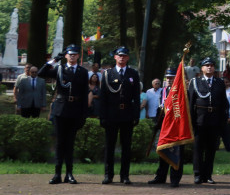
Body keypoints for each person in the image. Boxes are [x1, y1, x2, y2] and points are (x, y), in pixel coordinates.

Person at [38, 45, 90, 184]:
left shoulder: (83, 71)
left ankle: (69, 174)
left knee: (70, 144)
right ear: (66, 56)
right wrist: (54, 60)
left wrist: (84, 114)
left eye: (75, 54)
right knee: (60, 143)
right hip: (61, 109)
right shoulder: (59, 69)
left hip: (75, 110)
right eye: (69, 54)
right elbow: (41, 73)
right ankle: (57, 174)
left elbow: (85, 93)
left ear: (78, 56)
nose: (72, 56)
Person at [96, 46, 142, 185]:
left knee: (126, 147)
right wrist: (102, 116)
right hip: (111, 115)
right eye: (119, 55)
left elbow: (136, 97)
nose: (122, 57)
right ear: (115, 57)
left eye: (124, 55)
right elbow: (102, 96)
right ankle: (108, 175)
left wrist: (136, 115)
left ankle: (125, 175)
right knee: (109, 146)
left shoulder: (133, 74)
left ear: (127, 58)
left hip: (127, 114)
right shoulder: (107, 74)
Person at [189, 57, 229, 184]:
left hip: (214, 120)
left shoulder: (219, 82)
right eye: (207, 65)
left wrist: (222, 120)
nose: (209, 67)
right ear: (202, 68)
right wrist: (191, 121)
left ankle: (208, 174)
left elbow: (223, 102)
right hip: (200, 120)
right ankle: (197, 174)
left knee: (211, 149)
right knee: (198, 148)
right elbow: (191, 103)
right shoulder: (195, 82)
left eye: (212, 65)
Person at [148, 68, 183, 187]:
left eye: (172, 77)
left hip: (176, 126)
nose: (169, 80)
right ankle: (161, 176)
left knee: (176, 153)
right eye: (167, 77)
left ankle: (175, 178)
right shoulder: (164, 91)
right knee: (163, 150)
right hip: (164, 126)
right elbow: (161, 107)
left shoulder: (180, 92)